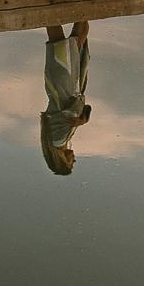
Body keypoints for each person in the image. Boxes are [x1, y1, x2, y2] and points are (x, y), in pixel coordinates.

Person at [39, 21, 91, 175]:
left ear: (61, 160)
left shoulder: (58, 140)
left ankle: (50, 6)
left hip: (65, 85)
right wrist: (84, 118)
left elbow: (76, 110)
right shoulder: (60, 139)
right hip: (64, 85)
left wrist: (83, 118)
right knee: (77, 39)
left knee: (59, 39)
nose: (73, 160)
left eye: (70, 164)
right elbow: (81, 111)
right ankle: (78, 6)